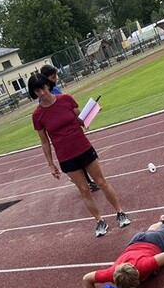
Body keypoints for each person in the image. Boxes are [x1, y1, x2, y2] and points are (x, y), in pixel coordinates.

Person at [29, 72, 131, 237]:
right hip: (65, 156)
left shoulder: (66, 99)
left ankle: (120, 212)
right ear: (33, 93)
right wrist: (50, 164)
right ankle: (99, 221)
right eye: (37, 91)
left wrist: (93, 111)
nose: (41, 93)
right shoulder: (37, 115)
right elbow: (45, 141)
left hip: (83, 147)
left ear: (48, 85)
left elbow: (81, 119)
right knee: (84, 190)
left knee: (101, 182)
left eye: (43, 88)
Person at [40, 64, 100, 192]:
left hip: (72, 131)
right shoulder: (46, 96)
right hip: (65, 137)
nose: (56, 79)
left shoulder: (56, 90)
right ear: (45, 79)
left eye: (56, 76)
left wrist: (86, 115)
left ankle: (88, 182)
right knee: (77, 160)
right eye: (53, 77)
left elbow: (68, 110)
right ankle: (87, 182)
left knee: (82, 159)